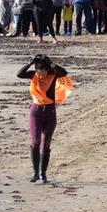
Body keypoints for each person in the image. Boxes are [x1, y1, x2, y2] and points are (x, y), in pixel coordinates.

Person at [17, 55, 73, 183]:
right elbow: (19, 74)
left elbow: (64, 73)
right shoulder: (33, 75)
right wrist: (31, 62)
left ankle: (43, 174)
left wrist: (52, 63)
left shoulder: (53, 75)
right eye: (38, 70)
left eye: (43, 70)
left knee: (46, 145)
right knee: (35, 142)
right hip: (35, 112)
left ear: (47, 69)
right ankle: (35, 173)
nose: (40, 73)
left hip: (50, 112)